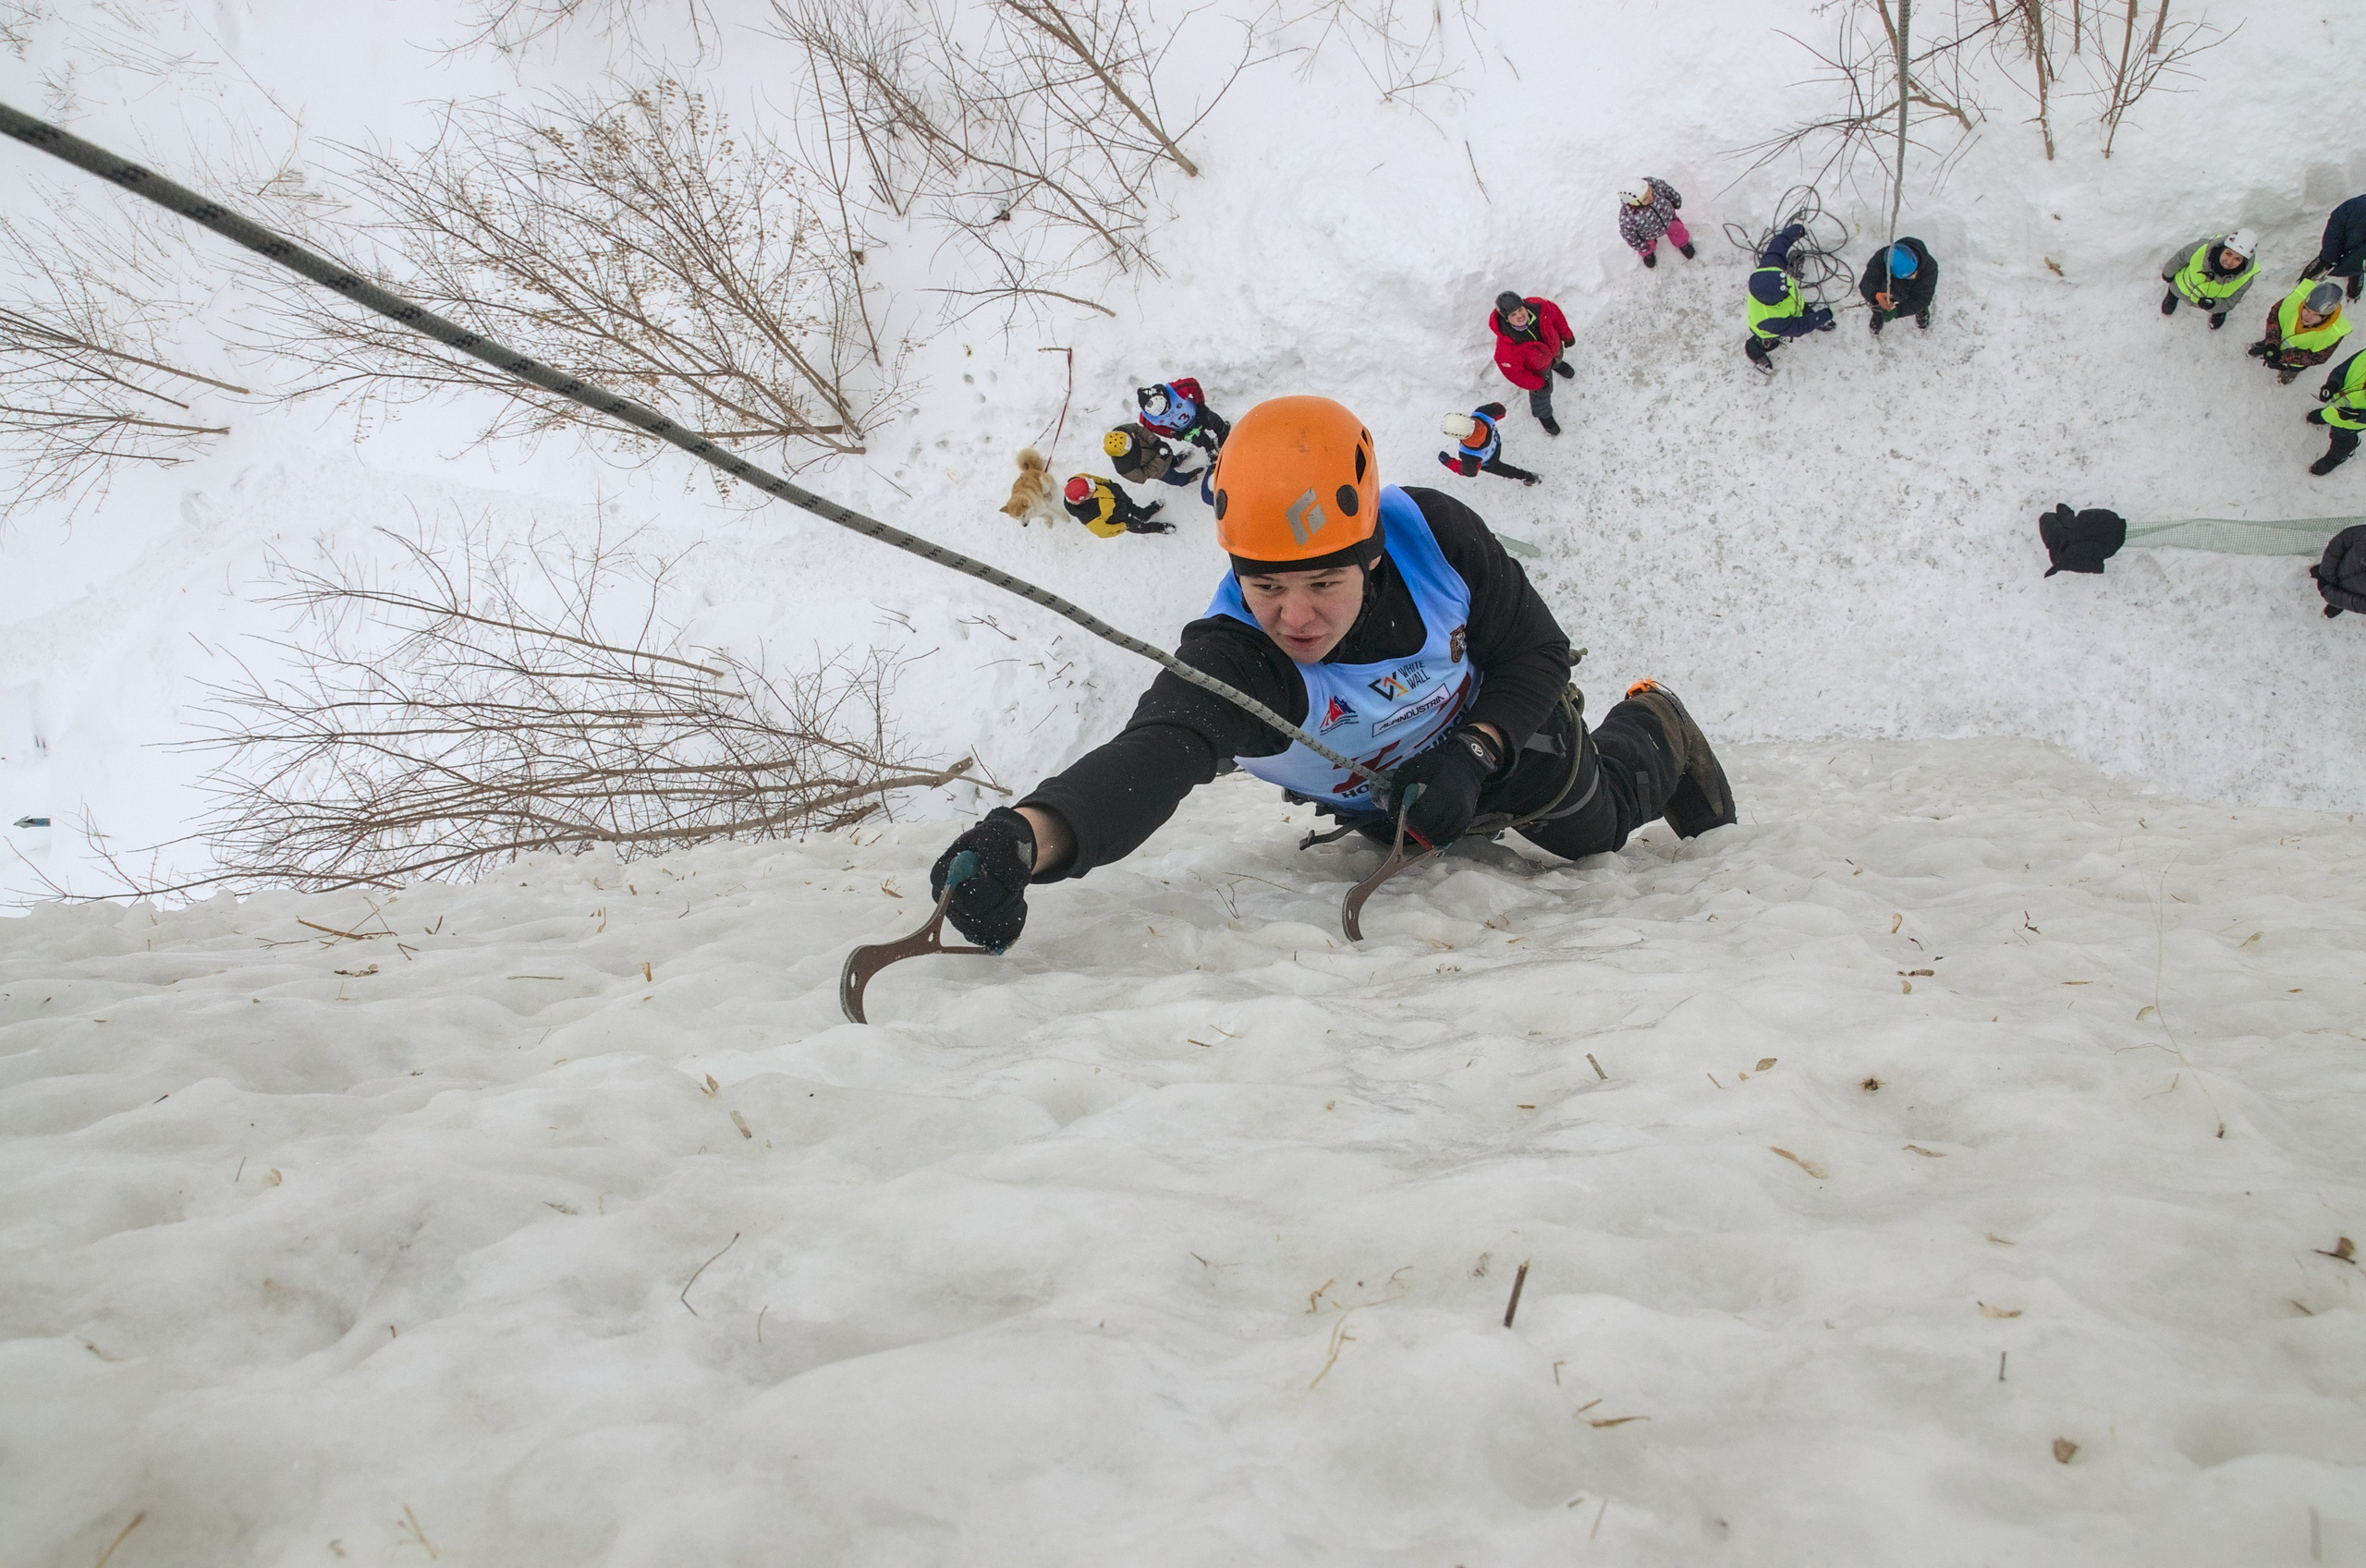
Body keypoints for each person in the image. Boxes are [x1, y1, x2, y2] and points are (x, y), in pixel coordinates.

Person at [923, 395, 1737, 954]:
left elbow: (1535, 651)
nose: (1295, 618)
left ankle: (1654, 721)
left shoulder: (1434, 538)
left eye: (1323, 585)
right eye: (1267, 585)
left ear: (1370, 554)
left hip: (1508, 735)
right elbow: (1158, 751)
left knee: (1595, 833)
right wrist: (1026, 837)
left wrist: (1477, 751)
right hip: (1389, 798)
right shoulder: (1239, 656)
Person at [1744, 222, 1836, 372]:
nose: (1787, 282)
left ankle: (1817, 320)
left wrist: (1793, 233)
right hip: (1769, 330)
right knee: (1763, 343)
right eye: (1785, 289)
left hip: (1793, 305)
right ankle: (1756, 354)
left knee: (1805, 312)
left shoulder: (1769, 269)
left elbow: (1777, 246)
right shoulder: (1770, 321)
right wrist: (1825, 314)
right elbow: (1799, 327)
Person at [1488, 290, 1576, 436]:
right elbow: (1517, 375)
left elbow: (1557, 317)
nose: (1520, 316)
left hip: (1554, 352)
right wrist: (1538, 384)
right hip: (1538, 371)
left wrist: (1567, 335)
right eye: (1513, 315)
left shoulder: (1540, 307)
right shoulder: (1506, 350)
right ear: (1506, 319)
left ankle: (1557, 365)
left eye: (1520, 310)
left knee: (1556, 359)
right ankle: (1543, 414)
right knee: (1542, 395)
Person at [2250, 279, 2355, 384]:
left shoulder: (2335, 332)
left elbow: (2318, 358)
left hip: (2296, 361)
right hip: (2277, 339)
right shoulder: (2296, 298)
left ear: (2327, 316)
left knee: (2294, 368)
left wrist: (2283, 357)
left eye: (2316, 315)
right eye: (2307, 310)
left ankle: (2290, 372)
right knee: (2267, 344)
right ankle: (2264, 347)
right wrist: (2272, 342)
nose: (2308, 317)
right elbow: (2275, 315)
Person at [2159, 229, 2259, 330]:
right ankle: (2172, 296)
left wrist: (2214, 306)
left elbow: (2230, 302)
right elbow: (2180, 258)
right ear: (2222, 248)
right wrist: (2168, 273)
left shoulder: (2245, 279)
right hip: (2180, 287)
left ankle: (2218, 313)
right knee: (2175, 290)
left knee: (2220, 309)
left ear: (2244, 261)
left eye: (2237, 259)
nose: (2228, 262)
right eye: (2228, 253)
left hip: (2210, 302)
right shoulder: (2201, 248)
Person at [1437, 405, 1539, 486]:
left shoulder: (1468, 455)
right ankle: (1528, 476)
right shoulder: (1482, 414)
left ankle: (1525, 476)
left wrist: (1448, 462)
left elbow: (1469, 472)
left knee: (1505, 470)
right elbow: (1500, 410)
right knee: (1506, 469)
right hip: (1496, 443)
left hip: (1489, 462)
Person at [1858, 238, 1938, 335]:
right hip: (1888, 290)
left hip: (1912, 291)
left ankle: (1921, 311)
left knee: (1918, 304)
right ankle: (1878, 314)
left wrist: (1898, 311)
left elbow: (1923, 297)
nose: (1914, 276)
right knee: (1877, 304)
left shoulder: (1929, 267)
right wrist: (1876, 296)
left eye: (1912, 274)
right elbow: (1867, 282)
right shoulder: (1882, 257)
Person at [2308, 348, 2366, 476]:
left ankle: (2336, 458)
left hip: (2353, 423)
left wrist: (2359, 416)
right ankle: (2327, 416)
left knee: (2342, 438)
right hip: (2336, 404)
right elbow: (2341, 371)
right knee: (2330, 414)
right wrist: (2333, 384)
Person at [1136, 379, 1229, 458]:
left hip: (1198, 414)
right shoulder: (1146, 419)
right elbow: (1156, 428)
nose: (1167, 411)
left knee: (1213, 421)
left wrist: (1201, 406)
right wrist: (1173, 433)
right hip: (1184, 429)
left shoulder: (1175, 390)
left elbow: (1192, 384)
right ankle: (1209, 447)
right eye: (1162, 413)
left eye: (1167, 406)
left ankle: (1223, 431)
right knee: (1199, 440)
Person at [1617, 177, 1695, 270]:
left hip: (1668, 219)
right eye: (1645, 198)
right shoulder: (1627, 218)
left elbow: (1666, 189)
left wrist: (1675, 199)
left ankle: (1683, 244)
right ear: (1633, 203)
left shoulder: (1652, 185)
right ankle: (1648, 254)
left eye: (1649, 191)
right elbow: (1629, 236)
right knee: (1648, 245)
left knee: (1678, 232)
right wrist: (1641, 247)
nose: (1651, 196)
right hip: (1648, 234)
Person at [2301, 193, 2366, 303]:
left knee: (2355, 266)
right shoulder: (2360, 207)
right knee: (2327, 259)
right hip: (2345, 238)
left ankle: (2356, 274)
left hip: (2359, 257)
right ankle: (2304, 284)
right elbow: (2340, 217)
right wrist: (2330, 254)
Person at [1105, 423, 1206, 492]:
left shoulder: (1122, 430)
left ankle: (1176, 461)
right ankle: (1185, 480)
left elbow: (1139, 430)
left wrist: (1156, 443)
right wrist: (1160, 460)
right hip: (1159, 471)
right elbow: (1143, 476)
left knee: (1172, 460)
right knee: (1174, 477)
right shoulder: (1124, 467)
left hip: (1159, 451)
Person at [1061, 474, 1173, 536]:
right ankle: (1157, 528)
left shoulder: (1079, 479)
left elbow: (1096, 479)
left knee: (1134, 508)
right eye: (1091, 491)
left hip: (1120, 499)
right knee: (1140, 527)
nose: (1094, 487)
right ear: (1082, 500)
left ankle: (1145, 514)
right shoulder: (1089, 518)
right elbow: (1105, 532)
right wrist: (1124, 526)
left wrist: (1110, 483)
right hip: (1122, 519)